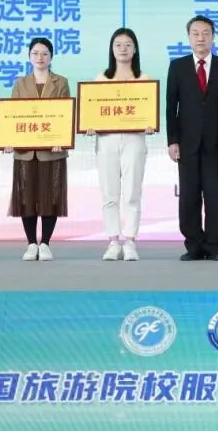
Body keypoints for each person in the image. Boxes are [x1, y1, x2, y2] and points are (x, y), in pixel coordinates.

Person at [166, 15, 218, 261]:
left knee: (215, 196)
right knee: (189, 196)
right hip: (186, 143)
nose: (201, 38)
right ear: (188, 37)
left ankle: (213, 246)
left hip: (216, 143)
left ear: (213, 37)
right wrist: (172, 141)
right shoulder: (177, 67)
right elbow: (171, 107)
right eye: (195, 33)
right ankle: (193, 246)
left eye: (206, 33)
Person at [87, 28, 153, 262]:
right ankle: (113, 241)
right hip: (107, 140)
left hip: (134, 140)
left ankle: (130, 241)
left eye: (128, 44)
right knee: (110, 193)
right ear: (112, 49)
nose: (123, 49)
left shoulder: (143, 78)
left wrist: (149, 123)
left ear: (135, 49)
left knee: (132, 192)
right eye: (118, 45)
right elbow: (92, 110)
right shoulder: (101, 78)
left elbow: (148, 111)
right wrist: (90, 125)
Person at [5, 37, 70, 262]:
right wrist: (8, 140)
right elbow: (12, 115)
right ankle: (31, 243)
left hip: (52, 150)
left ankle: (46, 243)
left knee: (50, 197)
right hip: (25, 151)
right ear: (29, 56)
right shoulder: (20, 83)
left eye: (44, 53)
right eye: (35, 53)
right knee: (26, 197)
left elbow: (64, 114)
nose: (40, 57)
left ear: (51, 57)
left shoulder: (61, 82)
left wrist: (62, 139)